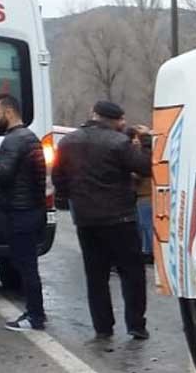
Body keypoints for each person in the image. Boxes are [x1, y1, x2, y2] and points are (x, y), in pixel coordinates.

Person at [54, 99, 152, 341]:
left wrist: (72, 198)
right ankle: (136, 325)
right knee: (132, 273)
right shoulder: (119, 142)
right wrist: (147, 143)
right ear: (115, 121)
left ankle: (103, 327)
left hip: (86, 220)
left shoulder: (67, 142)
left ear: (94, 115)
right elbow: (145, 168)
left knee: (96, 275)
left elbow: (58, 178)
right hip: (121, 218)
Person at [0, 92, 48, 331]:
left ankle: (35, 316)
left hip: (20, 213)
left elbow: (5, 174)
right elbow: (25, 179)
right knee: (28, 266)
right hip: (32, 210)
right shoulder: (30, 138)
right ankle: (36, 313)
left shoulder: (13, 140)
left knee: (26, 267)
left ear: (9, 112)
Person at [126, 123, 155, 263]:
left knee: (146, 224)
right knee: (142, 224)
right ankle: (147, 251)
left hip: (146, 193)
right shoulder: (140, 151)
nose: (136, 140)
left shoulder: (144, 152)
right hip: (142, 194)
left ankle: (150, 252)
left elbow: (144, 169)